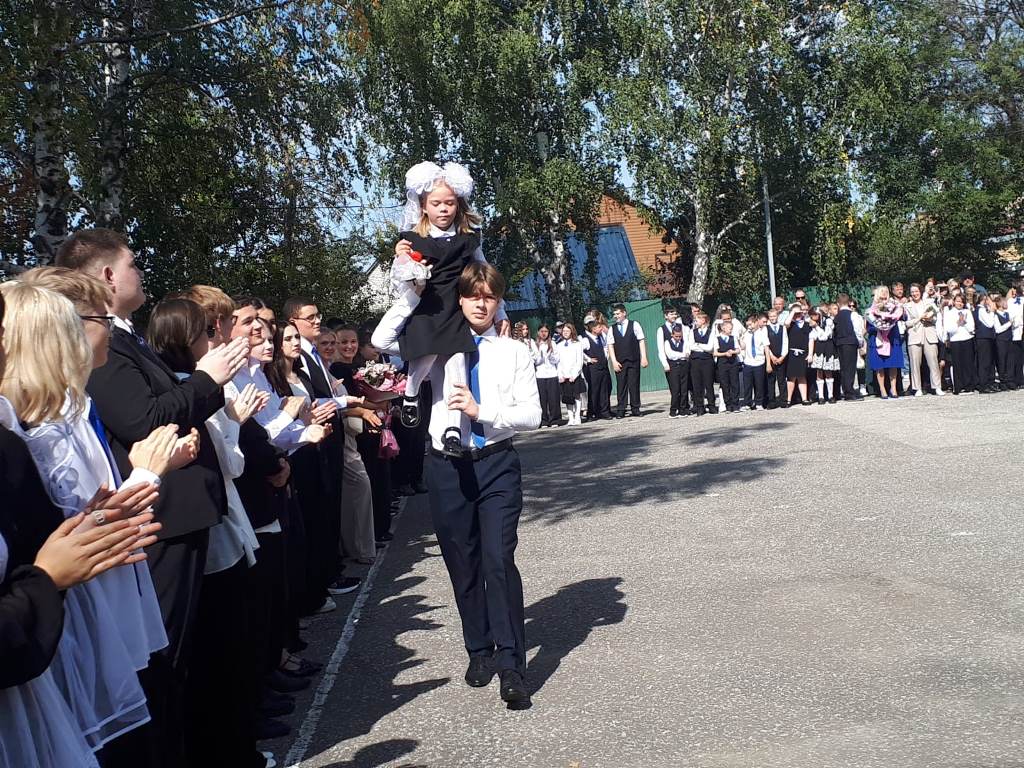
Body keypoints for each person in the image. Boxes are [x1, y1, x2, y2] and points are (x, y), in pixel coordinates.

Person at [55, 229, 248, 768]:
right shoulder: (107, 346)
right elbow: (143, 420)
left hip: (171, 510)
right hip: (153, 518)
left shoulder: (124, 337)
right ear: (108, 276)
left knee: (188, 654)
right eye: (133, 264)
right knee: (164, 662)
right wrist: (207, 380)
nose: (140, 273)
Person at [373, 261, 540, 707]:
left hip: (496, 463)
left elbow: (532, 415)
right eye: (473, 296)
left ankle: (512, 664)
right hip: (446, 467)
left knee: (498, 560)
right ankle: (479, 649)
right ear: (460, 299)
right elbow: (383, 341)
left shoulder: (513, 351)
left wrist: (482, 412)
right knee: (462, 563)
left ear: (498, 301)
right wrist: (414, 291)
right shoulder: (436, 343)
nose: (481, 304)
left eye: (490, 296)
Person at [147, 297, 266, 768]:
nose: (216, 339)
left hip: (218, 523)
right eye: (209, 332)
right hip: (214, 529)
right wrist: (235, 420)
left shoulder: (183, 389)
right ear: (189, 339)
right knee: (223, 648)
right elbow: (231, 462)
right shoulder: (195, 391)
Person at [389, 161, 508, 454]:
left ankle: (453, 430)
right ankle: (411, 394)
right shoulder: (411, 239)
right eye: (436, 203)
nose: (444, 209)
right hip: (427, 309)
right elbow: (399, 281)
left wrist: (500, 311)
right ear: (423, 206)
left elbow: (485, 274)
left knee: (457, 368)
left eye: (450, 203)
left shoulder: (468, 239)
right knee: (427, 355)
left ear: (459, 204)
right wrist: (402, 261)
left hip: (455, 310)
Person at [282, 295, 361, 598]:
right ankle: (325, 574)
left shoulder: (312, 352)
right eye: (310, 317)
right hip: (309, 439)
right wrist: (343, 401)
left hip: (328, 433)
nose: (317, 321)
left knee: (331, 504)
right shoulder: (298, 355)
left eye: (317, 316)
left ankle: (332, 568)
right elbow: (310, 400)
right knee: (320, 508)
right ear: (293, 321)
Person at [865, 286, 906, 400]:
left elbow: (903, 317)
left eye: (886, 293)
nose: (884, 295)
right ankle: (882, 389)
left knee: (893, 364)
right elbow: (868, 327)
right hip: (878, 339)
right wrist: (879, 326)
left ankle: (893, 388)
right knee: (880, 365)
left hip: (892, 338)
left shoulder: (894, 306)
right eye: (881, 294)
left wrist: (901, 311)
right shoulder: (871, 309)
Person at [607, 304, 648, 417]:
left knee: (634, 384)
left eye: (618, 313)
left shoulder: (634, 325)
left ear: (624, 313)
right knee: (621, 385)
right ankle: (621, 409)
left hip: (633, 360)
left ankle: (635, 408)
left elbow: (641, 340)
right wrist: (614, 361)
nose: (616, 316)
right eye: (614, 314)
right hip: (620, 362)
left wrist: (644, 357)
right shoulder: (612, 329)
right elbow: (610, 345)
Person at [905, 283, 944, 396]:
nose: (915, 294)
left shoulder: (929, 303)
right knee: (915, 363)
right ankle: (917, 388)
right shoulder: (907, 306)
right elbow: (906, 323)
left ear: (920, 291)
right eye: (912, 292)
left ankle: (937, 386)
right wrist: (919, 318)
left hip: (929, 334)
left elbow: (936, 318)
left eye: (916, 291)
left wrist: (929, 318)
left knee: (933, 362)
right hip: (914, 335)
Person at [943, 293, 977, 395]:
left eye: (962, 302)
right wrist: (958, 323)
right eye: (958, 301)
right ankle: (958, 387)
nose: (960, 303)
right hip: (955, 340)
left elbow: (971, 328)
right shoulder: (949, 313)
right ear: (954, 302)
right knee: (957, 364)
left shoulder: (967, 312)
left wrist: (964, 322)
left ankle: (968, 386)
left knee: (968, 363)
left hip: (967, 339)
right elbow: (949, 328)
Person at [833, 293, 864, 401]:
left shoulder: (836, 316)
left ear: (838, 303)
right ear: (848, 302)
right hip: (850, 342)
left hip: (840, 343)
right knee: (850, 368)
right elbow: (857, 330)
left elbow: (834, 331)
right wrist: (860, 342)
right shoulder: (853, 314)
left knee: (844, 368)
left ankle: (846, 390)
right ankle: (849, 392)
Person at [582, 319, 613, 420]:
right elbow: (579, 351)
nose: (601, 329)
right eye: (599, 327)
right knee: (594, 390)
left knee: (604, 389)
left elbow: (606, 348)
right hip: (593, 368)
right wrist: (588, 359)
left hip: (603, 366)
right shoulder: (586, 339)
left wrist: (606, 357)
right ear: (593, 329)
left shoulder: (601, 337)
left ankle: (604, 411)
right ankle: (591, 412)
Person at [556, 323, 586, 425]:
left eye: (567, 331)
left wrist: (574, 374)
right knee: (567, 397)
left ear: (571, 332)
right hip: (564, 376)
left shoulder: (577, 344)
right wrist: (560, 375)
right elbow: (558, 362)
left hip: (574, 375)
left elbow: (579, 361)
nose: (565, 333)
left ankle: (577, 416)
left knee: (576, 396)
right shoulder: (559, 345)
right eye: (564, 331)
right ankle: (571, 418)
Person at [532, 324, 561, 427]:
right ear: (538, 332)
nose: (543, 333)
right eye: (541, 331)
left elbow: (556, 359)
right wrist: (540, 355)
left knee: (553, 398)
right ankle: (544, 420)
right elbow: (535, 361)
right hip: (540, 375)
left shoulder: (552, 343)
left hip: (552, 374)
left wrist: (551, 355)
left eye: (546, 331)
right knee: (542, 399)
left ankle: (555, 419)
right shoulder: (534, 344)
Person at [808, 306, 838, 404]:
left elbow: (825, 336)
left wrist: (816, 327)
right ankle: (821, 396)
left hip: (828, 348)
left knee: (828, 371)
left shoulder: (828, 321)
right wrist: (810, 354)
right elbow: (812, 338)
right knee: (819, 371)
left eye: (813, 315)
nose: (812, 318)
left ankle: (830, 395)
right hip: (818, 349)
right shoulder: (813, 323)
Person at [785, 304, 813, 406]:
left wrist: (810, 354)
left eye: (799, 313)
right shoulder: (790, 325)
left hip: (803, 353)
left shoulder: (807, 325)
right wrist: (793, 312)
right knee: (791, 377)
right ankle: (788, 399)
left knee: (802, 376)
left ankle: (804, 398)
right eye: (795, 314)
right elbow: (786, 323)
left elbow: (811, 340)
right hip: (792, 354)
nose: (797, 315)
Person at [740, 313, 769, 411]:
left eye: (751, 324)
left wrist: (768, 363)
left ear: (756, 322)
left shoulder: (762, 333)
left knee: (759, 384)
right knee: (747, 384)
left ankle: (759, 402)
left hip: (759, 362)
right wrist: (740, 340)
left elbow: (766, 348)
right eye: (747, 325)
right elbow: (743, 347)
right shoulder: (746, 334)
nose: (749, 327)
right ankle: (747, 403)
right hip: (748, 362)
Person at [689, 312, 716, 416]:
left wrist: (698, 345)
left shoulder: (711, 332)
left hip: (707, 361)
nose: (695, 322)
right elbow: (691, 346)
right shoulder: (692, 332)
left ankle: (711, 405)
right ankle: (700, 407)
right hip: (695, 361)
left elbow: (710, 347)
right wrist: (703, 347)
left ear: (703, 320)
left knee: (709, 384)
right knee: (697, 385)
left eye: (697, 320)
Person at [663, 322, 692, 418]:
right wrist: (682, 355)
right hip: (674, 367)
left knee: (684, 389)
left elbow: (687, 352)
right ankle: (673, 410)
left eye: (680, 336)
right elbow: (671, 355)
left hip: (683, 366)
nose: (678, 338)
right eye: (676, 336)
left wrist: (682, 355)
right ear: (672, 335)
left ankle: (682, 409)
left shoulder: (684, 342)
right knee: (675, 390)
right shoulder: (667, 342)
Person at [975, 294, 1002, 393]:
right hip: (983, 338)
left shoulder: (985, 310)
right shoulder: (981, 310)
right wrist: (992, 312)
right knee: (984, 362)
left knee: (990, 362)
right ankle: (983, 384)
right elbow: (990, 324)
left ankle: (990, 382)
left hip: (989, 338)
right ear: (985, 300)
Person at [713, 319, 741, 412]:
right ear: (723, 328)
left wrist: (733, 352)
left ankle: (735, 404)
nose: (731, 330)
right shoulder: (717, 338)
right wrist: (725, 353)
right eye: (729, 328)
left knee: (735, 383)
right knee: (725, 384)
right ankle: (728, 404)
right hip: (722, 363)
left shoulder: (733, 338)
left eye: (731, 328)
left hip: (733, 363)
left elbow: (738, 350)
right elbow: (715, 353)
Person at [764, 309, 789, 407]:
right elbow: (766, 344)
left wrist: (782, 356)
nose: (772, 318)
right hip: (771, 358)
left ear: (777, 316)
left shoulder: (783, 328)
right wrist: (772, 356)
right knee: (771, 380)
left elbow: (785, 342)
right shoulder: (766, 329)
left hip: (781, 358)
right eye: (770, 316)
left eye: (774, 316)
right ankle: (772, 401)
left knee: (782, 380)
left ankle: (783, 400)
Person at [655, 306, 680, 389]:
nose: (674, 316)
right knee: (675, 389)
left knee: (684, 390)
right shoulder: (661, 330)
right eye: (671, 314)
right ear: (666, 316)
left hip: (682, 362)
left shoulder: (680, 327)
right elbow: (660, 349)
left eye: (675, 314)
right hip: (670, 363)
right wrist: (665, 364)